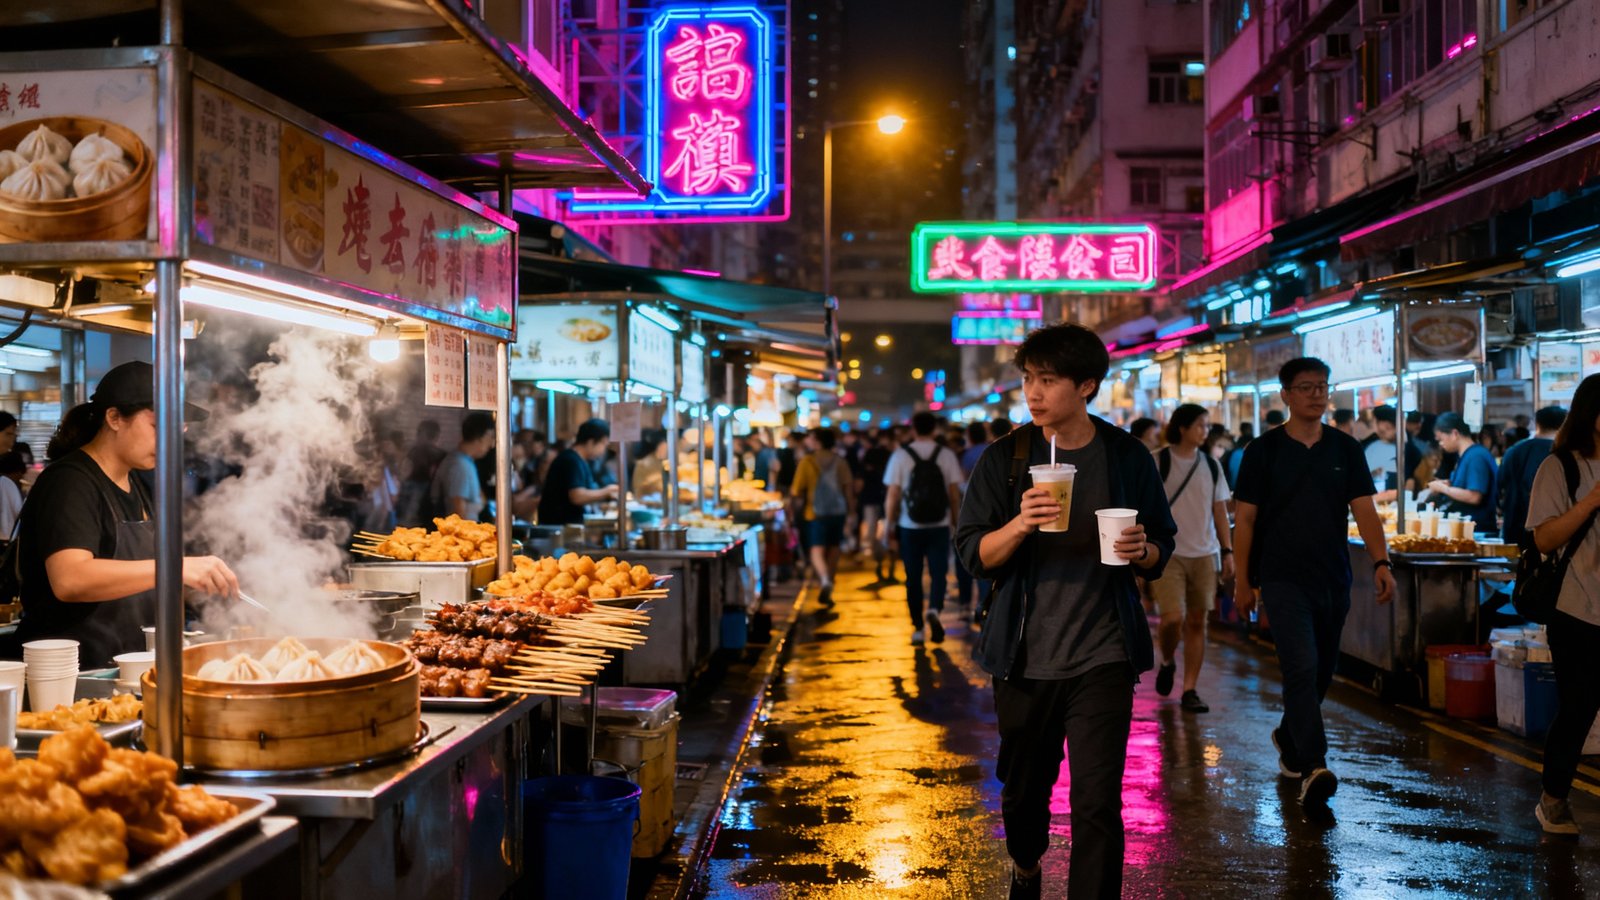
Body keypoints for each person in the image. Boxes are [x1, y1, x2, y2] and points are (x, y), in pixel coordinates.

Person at [955, 324, 1176, 899]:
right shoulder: (1006, 459)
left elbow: (1161, 546)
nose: (1032, 392)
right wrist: (1022, 523)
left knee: (1098, 803)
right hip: (1025, 658)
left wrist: (1142, 550)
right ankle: (1026, 864)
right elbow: (974, 555)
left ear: (1087, 386)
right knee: (1026, 794)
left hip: (1103, 654)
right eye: (1028, 378)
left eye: (1047, 381)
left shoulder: (1126, 456)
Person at [1232, 357, 1395, 815]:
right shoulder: (1262, 451)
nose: (1317, 395)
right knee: (1301, 668)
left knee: (1322, 672)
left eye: (1322, 386)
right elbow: (1245, 520)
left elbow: (1365, 510)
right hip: (1282, 578)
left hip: (1333, 577)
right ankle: (1313, 767)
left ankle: (1288, 736)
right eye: (1305, 388)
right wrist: (1243, 579)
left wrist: (1381, 562)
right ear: (1285, 395)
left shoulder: (1345, 449)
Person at [12, 362, 238, 668]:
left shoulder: (137, 482)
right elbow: (70, 579)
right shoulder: (69, 482)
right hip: (73, 678)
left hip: (127, 669)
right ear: (114, 418)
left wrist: (210, 584)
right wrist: (177, 568)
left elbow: (141, 578)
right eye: (158, 428)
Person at [1527, 375, 1600, 836]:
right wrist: (1592, 501)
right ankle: (1554, 799)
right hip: (1578, 607)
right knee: (1579, 707)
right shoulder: (1560, 468)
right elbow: (1545, 537)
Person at [1150, 404, 1233, 714]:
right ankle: (1168, 660)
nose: (1205, 431)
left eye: (1207, 426)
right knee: (1173, 618)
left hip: (1205, 553)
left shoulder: (1211, 466)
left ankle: (1190, 689)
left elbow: (1220, 512)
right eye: (1200, 425)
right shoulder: (1158, 461)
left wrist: (1227, 552)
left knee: (1198, 622)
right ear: (1182, 428)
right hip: (1169, 553)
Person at [885, 413, 964, 643]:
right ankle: (934, 609)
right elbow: (953, 494)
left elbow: (893, 494)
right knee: (939, 572)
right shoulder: (947, 455)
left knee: (913, 575)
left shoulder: (900, 455)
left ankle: (918, 627)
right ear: (935, 429)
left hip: (910, 525)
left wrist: (889, 524)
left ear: (913, 430)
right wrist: (956, 521)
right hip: (939, 524)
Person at [787, 428, 853, 605]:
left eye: (810, 437)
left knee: (816, 550)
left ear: (817, 441)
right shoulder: (840, 461)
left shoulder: (807, 462)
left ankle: (824, 580)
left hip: (814, 513)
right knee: (834, 548)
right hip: (838, 512)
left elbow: (796, 491)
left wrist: (791, 509)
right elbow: (848, 488)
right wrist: (852, 511)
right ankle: (829, 583)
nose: (807, 440)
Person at [1501, 406, 1565, 547]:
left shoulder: (1514, 451)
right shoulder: (1564, 453)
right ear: (1564, 424)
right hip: (1553, 531)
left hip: (1515, 527)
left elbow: (1501, 486)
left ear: (1537, 424)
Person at [1428, 412, 1498, 535]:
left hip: (1477, 529)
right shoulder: (1466, 456)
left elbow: (1474, 496)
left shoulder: (1476, 456)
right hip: (1466, 529)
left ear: (1454, 434)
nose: (1440, 444)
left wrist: (1444, 489)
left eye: (1441, 439)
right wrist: (1449, 485)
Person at [538, 418, 619, 526]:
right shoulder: (571, 460)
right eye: (604, 444)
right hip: (560, 529)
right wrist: (607, 491)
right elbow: (577, 496)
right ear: (591, 442)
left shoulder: (581, 460)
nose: (604, 450)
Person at [430, 412, 495, 523]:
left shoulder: (466, 462)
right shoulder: (459, 466)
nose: (492, 444)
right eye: (491, 437)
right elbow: (458, 511)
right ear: (481, 437)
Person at [955, 421, 992, 611]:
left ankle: (968, 602)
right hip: (994, 511)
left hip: (972, 510)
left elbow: (961, 482)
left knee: (972, 555)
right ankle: (984, 604)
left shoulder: (968, 455)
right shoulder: (992, 450)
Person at [1363, 405, 1423, 501]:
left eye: (1390, 427)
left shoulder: (1408, 449)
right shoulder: (1369, 444)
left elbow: (1410, 481)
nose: (1376, 429)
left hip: (1396, 505)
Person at [858, 429, 894, 584]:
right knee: (889, 532)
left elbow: (859, 482)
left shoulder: (868, 457)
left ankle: (878, 561)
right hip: (887, 499)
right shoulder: (890, 456)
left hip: (870, 499)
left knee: (872, 531)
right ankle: (889, 565)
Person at [397, 421, 444, 526]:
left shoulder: (412, 451)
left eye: (418, 433)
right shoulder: (442, 456)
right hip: (429, 505)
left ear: (421, 434)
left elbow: (403, 473)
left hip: (414, 501)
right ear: (437, 436)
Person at [631, 432, 670, 499]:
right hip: (644, 499)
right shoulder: (645, 463)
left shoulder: (660, 462)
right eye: (663, 448)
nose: (666, 451)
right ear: (657, 447)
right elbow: (644, 486)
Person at [0, 451, 24, 540]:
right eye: (20, 473)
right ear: (16, 471)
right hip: (6, 536)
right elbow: (19, 511)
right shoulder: (9, 484)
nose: (20, 476)